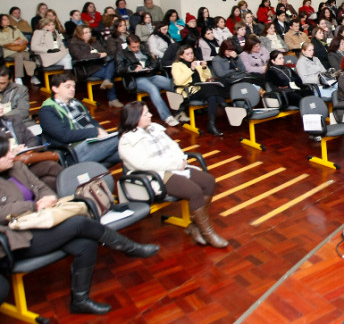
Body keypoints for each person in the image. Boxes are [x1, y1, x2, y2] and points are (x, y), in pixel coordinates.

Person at [0, 135, 158, 315]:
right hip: (16, 238)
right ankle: (128, 247)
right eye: (5, 155)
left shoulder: (18, 167)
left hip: (42, 221)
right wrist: (33, 205)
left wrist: (48, 197)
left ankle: (80, 300)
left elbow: (41, 186)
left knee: (86, 244)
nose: (12, 156)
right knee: (79, 223)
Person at [117, 102, 227, 249]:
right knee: (194, 191)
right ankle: (208, 233)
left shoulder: (154, 128)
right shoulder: (127, 141)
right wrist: (175, 164)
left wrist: (181, 159)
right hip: (156, 176)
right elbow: (145, 164)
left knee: (208, 181)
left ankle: (195, 226)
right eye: (145, 114)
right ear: (135, 118)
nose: (150, 115)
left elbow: (172, 146)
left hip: (174, 167)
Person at [38, 72, 120, 164]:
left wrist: (101, 133)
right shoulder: (47, 110)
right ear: (55, 89)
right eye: (67, 86)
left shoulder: (76, 103)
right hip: (73, 152)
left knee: (127, 150)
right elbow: (65, 136)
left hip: (91, 143)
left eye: (73, 86)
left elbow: (92, 122)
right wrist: (96, 131)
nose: (72, 89)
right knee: (124, 139)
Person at [117, 35, 179, 126]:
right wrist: (132, 68)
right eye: (134, 47)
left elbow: (154, 63)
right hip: (135, 78)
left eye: (138, 46)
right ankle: (167, 117)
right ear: (128, 45)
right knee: (153, 89)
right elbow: (119, 69)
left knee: (172, 84)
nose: (136, 49)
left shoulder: (144, 49)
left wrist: (151, 67)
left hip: (150, 75)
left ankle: (179, 110)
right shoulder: (121, 53)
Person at [172, 45, 226, 136]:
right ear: (181, 56)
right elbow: (178, 81)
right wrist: (191, 69)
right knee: (212, 89)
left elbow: (207, 77)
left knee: (212, 96)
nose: (191, 55)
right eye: (187, 54)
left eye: (192, 53)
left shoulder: (196, 63)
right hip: (188, 91)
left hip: (201, 88)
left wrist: (204, 68)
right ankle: (224, 104)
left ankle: (211, 125)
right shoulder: (177, 65)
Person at [68, 25, 122, 108]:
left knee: (112, 61)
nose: (89, 34)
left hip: (100, 65)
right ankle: (112, 99)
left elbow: (104, 52)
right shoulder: (73, 43)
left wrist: (101, 55)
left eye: (89, 32)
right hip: (87, 68)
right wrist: (98, 55)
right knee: (109, 73)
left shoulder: (94, 41)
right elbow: (81, 56)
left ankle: (107, 81)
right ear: (79, 34)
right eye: (86, 32)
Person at [0, 13, 37, 84]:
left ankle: (33, 76)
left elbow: (25, 39)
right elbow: (1, 42)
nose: (7, 20)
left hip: (20, 49)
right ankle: (18, 78)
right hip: (8, 51)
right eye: (4, 19)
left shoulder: (15, 29)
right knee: (19, 56)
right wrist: (14, 42)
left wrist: (22, 41)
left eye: (8, 19)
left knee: (29, 56)